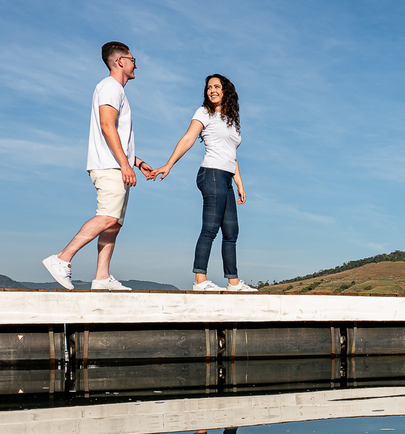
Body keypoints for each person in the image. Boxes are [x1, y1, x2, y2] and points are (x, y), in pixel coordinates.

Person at [42, 41, 156, 292]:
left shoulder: (115, 90)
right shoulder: (110, 87)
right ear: (120, 61)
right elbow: (107, 126)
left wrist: (137, 162)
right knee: (107, 216)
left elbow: (115, 134)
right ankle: (62, 258)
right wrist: (125, 165)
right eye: (133, 59)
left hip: (115, 164)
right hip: (110, 167)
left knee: (113, 224)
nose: (136, 64)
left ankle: (102, 277)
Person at [153, 75, 257, 292]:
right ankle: (200, 280)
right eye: (209, 87)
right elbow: (189, 138)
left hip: (226, 177)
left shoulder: (231, 120)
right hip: (211, 174)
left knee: (231, 231)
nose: (212, 90)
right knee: (210, 228)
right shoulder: (204, 113)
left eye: (216, 87)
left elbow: (232, 155)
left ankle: (233, 282)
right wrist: (169, 164)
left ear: (226, 90)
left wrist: (240, 184)